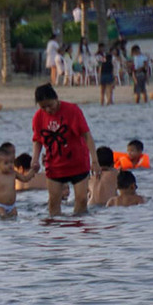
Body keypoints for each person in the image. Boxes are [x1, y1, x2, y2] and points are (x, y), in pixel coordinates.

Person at [26, 84, 99, 217]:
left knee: (82, 200)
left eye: (50, 105)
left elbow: (87, 136)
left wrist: (94, 160)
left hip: (78, 163)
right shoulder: (38, 117)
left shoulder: (72, 111)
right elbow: (37, 140)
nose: (48, 110)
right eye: (43, 107)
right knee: (54, 203)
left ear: (56, 98)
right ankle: (56, 229)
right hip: (54, 166)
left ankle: (79, 227)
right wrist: (34, 159)